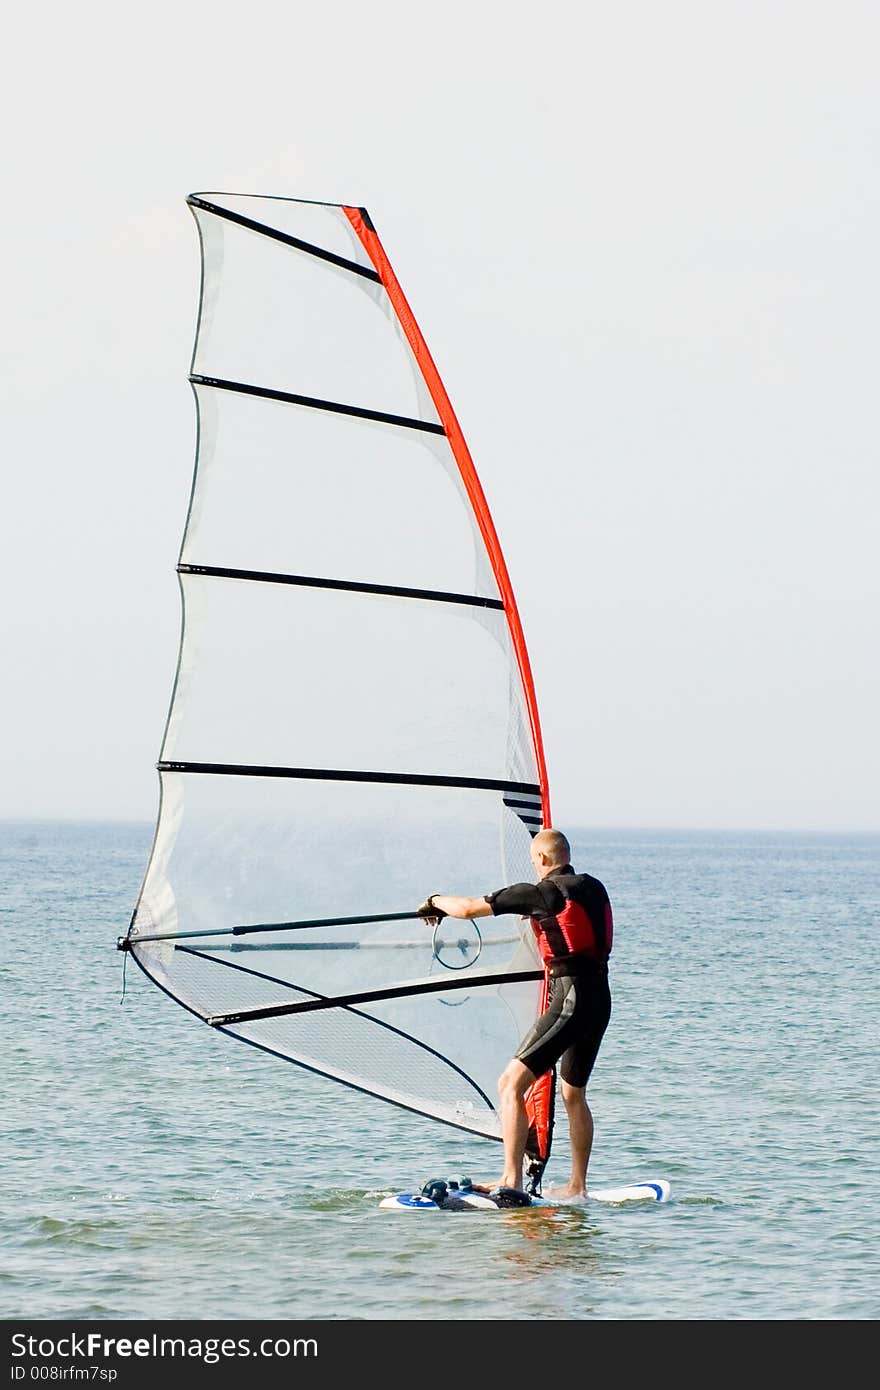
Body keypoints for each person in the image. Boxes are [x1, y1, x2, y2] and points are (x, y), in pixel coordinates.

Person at [417, 828, 612, 1199]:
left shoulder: (539, 893)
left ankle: (511, 1179)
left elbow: (468, 908)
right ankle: (578, 1185)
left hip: (570, 1000)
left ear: (541, 859)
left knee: (510, 1084)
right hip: (600, 999)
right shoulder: (594, 886)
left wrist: (434, 900)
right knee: (574, 1095)